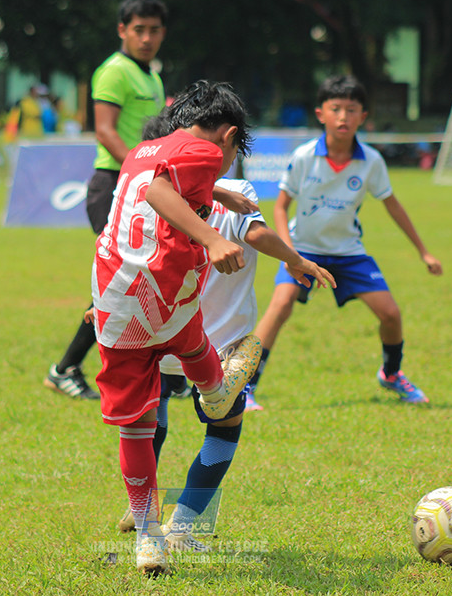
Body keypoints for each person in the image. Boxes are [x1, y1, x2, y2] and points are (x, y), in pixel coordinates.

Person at [111, 110, 336, 555]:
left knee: (149, 418)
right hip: (217, 343)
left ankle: (144, 507)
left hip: (157, 327)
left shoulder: (142, 186)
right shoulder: (235, 190)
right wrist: (295, 259)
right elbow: (255, 234)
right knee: (224, 427)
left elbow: (122, 247)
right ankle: (183, 527)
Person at [45, 0, 255, 400]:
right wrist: (139, 177)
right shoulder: (114, 72)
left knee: (160, 270)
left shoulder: (153, 77)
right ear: (122, 30)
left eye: (154, 30)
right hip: (115, 183)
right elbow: (105, 130)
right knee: (122, 278)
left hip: (147, 184)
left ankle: (168, 369)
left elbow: (163, 154)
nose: (146, 38)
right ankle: (67, 367)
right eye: (138, 29)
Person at [90, 80, 261, 576]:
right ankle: (216, 389)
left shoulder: (142, 149)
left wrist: (220, 193)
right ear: (227, 136)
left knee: (136, 427)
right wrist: (211, 237)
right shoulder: (203, 150)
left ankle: (148, 538)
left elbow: (151, 183)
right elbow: (164, 189)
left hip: (114, 300)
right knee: (192, 341)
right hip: (164, 297)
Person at [251, 75, 443, 407]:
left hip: (348, 253)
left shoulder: (371, 161)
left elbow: (393, 206)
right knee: (280, 306)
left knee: (391, 315)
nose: (343, 117)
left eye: (351, 110)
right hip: (304, 250)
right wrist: (289, 252)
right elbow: (281, 206)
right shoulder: (304, 156)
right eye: (335, 109)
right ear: (320, 114)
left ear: (363, 117)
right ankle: (245, 385)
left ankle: (392, 374)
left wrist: (423, 252)